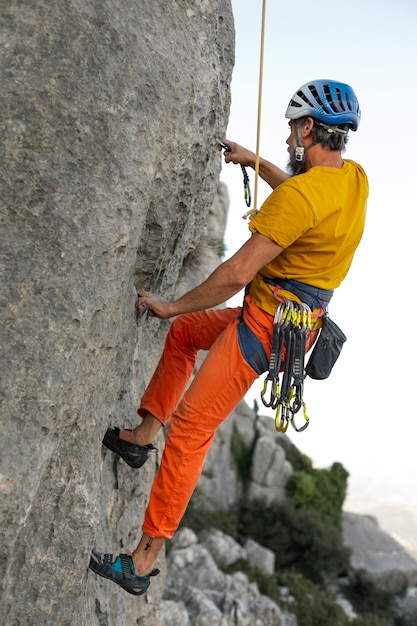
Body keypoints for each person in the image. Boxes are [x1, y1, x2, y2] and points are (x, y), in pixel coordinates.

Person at [89, 79, 369, 595]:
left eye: (292, 128)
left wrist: (171, 303)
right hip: (290, 323)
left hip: (264, 327)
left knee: (193, 427)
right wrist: (257, 162)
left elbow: (235, 274)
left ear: (309, 128)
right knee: (185, 336)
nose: (289, 135)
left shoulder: (304, 196)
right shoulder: (353, 180)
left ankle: (142, 561)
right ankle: (139, 442)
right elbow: (305, 195)